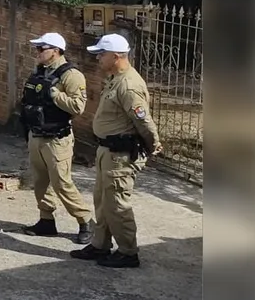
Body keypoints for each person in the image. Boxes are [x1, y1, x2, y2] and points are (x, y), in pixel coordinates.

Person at [70, 33, 162, 269]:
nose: (98, 58)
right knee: (102, 201)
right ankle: (100, 244)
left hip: (120, 155)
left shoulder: (129, 85)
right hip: (107, 151)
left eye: (102, 54)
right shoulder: (115, 79)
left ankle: (128, 252)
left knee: (118, 204)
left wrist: (153, 146)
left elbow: (143, 121)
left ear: (117, 56)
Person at [17, 32, 93, 244]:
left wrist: (55, 95)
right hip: (37, 135)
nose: (38, 52)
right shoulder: (40, 71)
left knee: (61, 183)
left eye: (42, 48)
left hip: (57, 138)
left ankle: (86, 220)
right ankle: (46, 220)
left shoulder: (71, 75)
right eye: (37, 48)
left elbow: (78, 107)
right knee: (40, 181)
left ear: (56, 51)